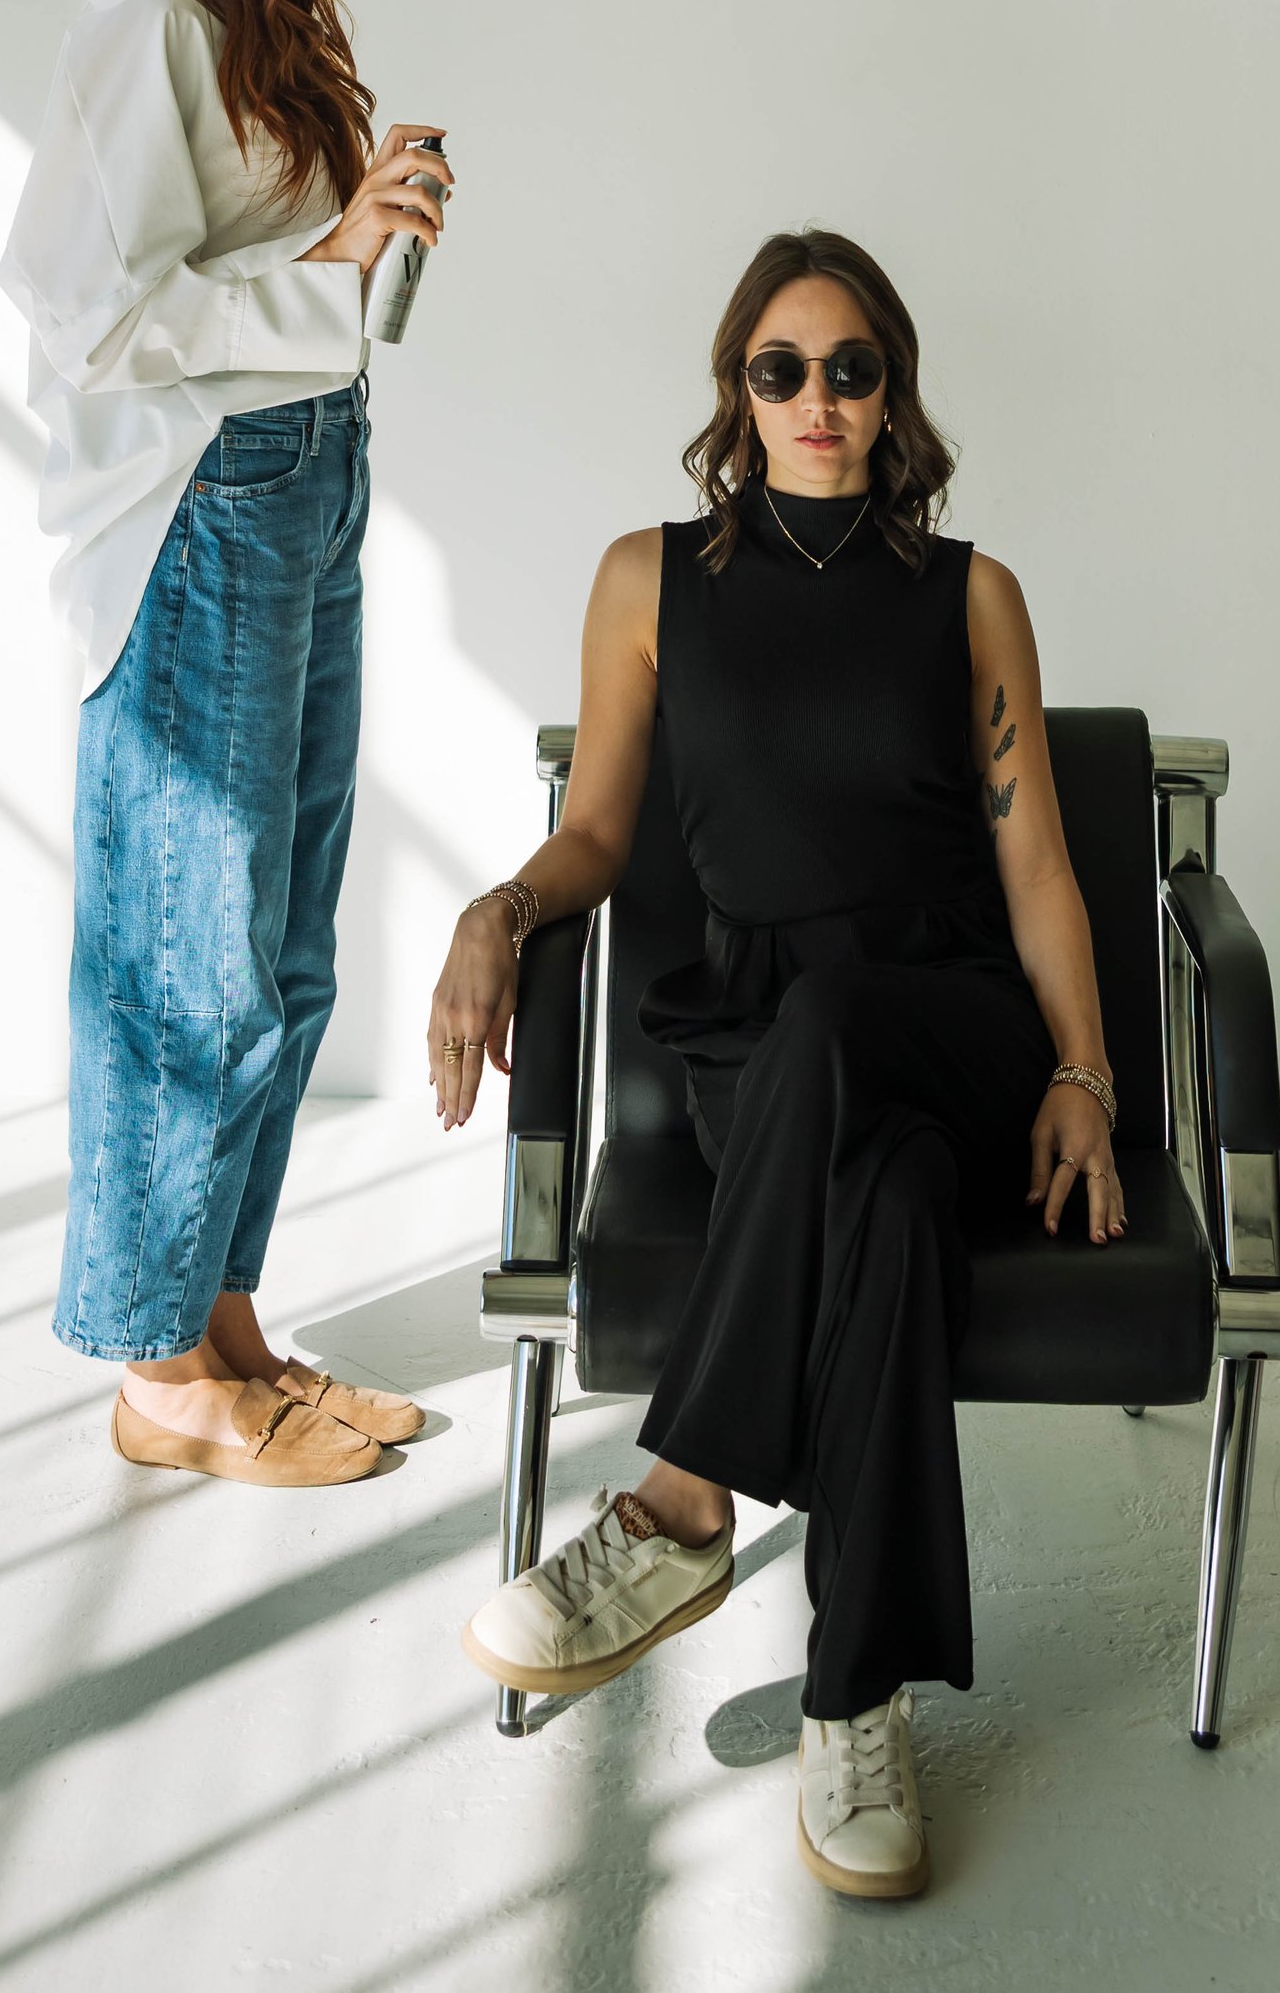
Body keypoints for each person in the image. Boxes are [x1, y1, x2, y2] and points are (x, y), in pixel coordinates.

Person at [425, 229, 1125, 1900]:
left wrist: (1085, 1070)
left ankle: (679, 1503)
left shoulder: (969, 596)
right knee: (876, 1213)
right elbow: (596, 829)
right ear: (736, 395)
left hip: (945, 1019)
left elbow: (1033, 864)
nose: (820, 398)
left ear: (896, 395)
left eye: (854, 366)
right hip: (764, 1058)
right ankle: (855, 1704)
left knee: (841, 1033)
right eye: (782, 368)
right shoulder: (646, 579)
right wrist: (496, 907)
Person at [0, 0, 455, 1485]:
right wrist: (326, 262)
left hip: (306, 472)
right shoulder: (144, 25)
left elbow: (284, 270)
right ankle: (161, 1371)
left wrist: (369, 223)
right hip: (202, 504)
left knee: (279, 937)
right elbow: (83, 314)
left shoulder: (268, 5)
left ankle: (229, 1316)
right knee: (190, 949)